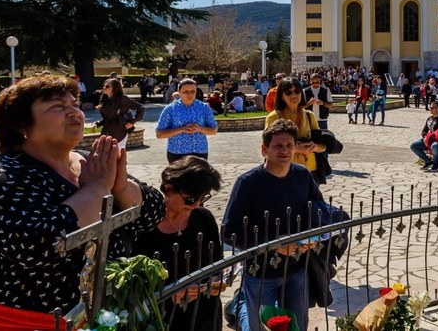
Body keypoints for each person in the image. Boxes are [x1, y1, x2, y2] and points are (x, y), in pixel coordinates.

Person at [0, 75, 164, 330]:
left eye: (74, 104)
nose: (74, 112)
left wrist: (121, 187)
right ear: (20, 124)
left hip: (101, 316)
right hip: (17, 322)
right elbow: (40, 246)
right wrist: (96, 189)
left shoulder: (90, 162)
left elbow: (154, 213)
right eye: (58, 107)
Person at [223, 119, 325, 331]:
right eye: (278, 145)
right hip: (260, 272)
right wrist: (273, 244)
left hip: (297, 268)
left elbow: (317, 213)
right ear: (264, 149)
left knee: (297, 325)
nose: (285, 150)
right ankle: (240, 304)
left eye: (289, 145)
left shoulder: (302, 175)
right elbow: (229, 232)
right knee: (260, 325)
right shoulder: (247, 183)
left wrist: (312, 239)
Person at [132, 155, 225, 331]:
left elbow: (217, 264)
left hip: (204, 312)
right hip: (164, 317)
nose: (196, 204)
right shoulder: (144, 229)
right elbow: (135, 281)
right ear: (169, 189)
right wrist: (167, 293)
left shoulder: (204, 218)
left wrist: (216, 281)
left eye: (203, 198)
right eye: (190, 199)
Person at [264, 79, 321, 179]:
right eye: (288, 92)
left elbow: (322, 145)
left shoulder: (309, 116)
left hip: (310, 169)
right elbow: (265, 149)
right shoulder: (274, 117)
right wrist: (297, 149)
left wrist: (314, 146)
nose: (294, 95)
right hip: (282, 170)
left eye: (297, 91)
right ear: (281, 96)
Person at [156, 78, 219, 162]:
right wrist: (181, 129)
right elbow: (159, 134)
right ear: (179, 92)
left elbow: (214, 130)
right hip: (177, 153)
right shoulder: (170, 109)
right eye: (185, 92)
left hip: (199, 152)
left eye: (193, 91)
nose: (190, 94)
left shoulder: (204, 108)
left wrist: (200, 129)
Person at [98, 78, 146, 150]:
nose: (104, 88)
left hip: (119, 132)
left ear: (115, 88)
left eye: (107, 86)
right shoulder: (105, 100)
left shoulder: (122, 99)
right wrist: (97, 124)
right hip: (106, 132)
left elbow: (141, 108)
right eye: (104, 86)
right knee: (106, 157)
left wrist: (132, 122)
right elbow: (108, 118)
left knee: (118, 156)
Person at [411, 103, 438, 171]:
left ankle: (436, 165)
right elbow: (424, 131)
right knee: (413, 146)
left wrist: (430, 140)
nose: (430, 109)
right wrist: (425, 138)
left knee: (434, 146)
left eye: (432, 108)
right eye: (430, 108)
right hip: (428, 140)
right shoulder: (430, 119)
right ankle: (428, 161)